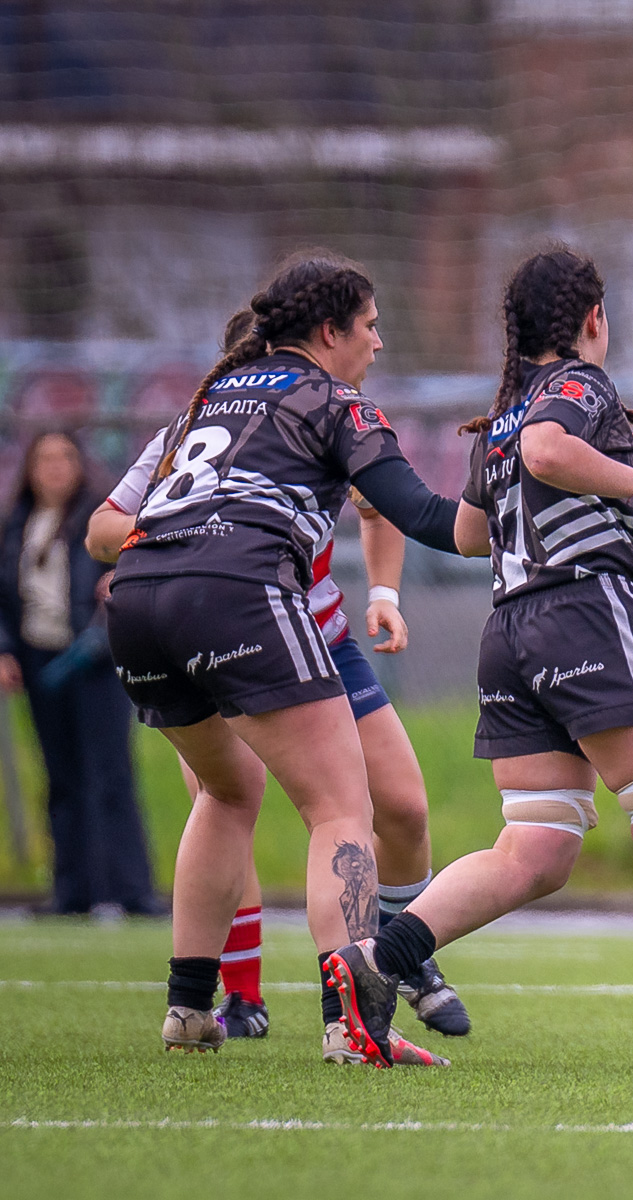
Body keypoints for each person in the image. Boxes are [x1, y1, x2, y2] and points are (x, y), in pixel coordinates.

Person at [327, 247, 633, 1075]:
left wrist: (375, 479)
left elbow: (463, 532)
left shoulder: (502, 416)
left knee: (536, 847)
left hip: (513, 632)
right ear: (593, 318)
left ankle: (381, 954)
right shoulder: (574, 389)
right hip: (586, 616)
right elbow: (549, 452)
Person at [106, 253, 468, 1066]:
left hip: (137, 600)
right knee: (342, 808)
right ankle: (353, 1024)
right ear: (330, 331)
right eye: (370, 326)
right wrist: (520, 493)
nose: (379, 342)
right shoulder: (338, 403)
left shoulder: (213, 395)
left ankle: (191, 1008)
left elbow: (124, 519)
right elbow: (428, 516)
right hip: (235, 595)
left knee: (229, 792)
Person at [0, 431, 157, 915]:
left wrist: (119, 580)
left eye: (64, 457)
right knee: (60, 775)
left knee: (109, 773)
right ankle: (72, 891)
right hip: (40, 660)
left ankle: (132, 890)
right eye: (43, 458)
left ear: (80, 465)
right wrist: (5, 651)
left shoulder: (97, 518)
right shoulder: (17, 525)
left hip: (94, 659)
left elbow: (141, 557)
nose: (53, 468)